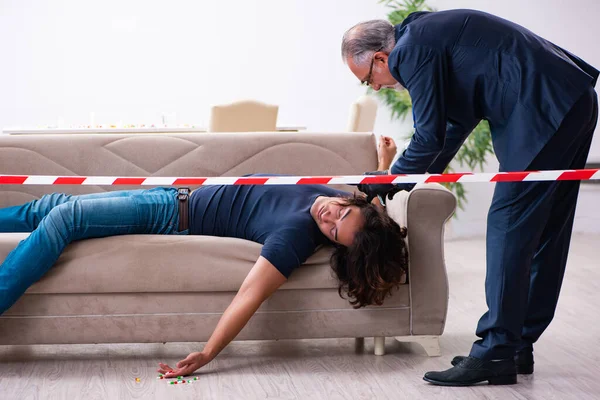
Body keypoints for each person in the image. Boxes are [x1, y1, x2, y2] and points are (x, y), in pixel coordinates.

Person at [0, 137, 407, 378]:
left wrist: (208, 352)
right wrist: (384, 164)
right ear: (352, 202)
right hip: (171, 195)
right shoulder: (345, 199)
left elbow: (250, 295)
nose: (328, 219)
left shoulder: (293, 238)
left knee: (64, 217)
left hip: (169, 216)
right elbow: (373, 200)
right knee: (49, 205)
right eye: (342, 214)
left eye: (334, 233)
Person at [342, 9, 598, 386]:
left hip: (542, 108)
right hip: (568, 100)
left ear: (381, 58)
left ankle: (496, 351)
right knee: (545, 232)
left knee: (508, 225)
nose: (378, 88)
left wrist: (388, 180)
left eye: (369, 80)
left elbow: (428, 136)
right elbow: (452, 125)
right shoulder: (427, 37)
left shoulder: (411, 49)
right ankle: (514, 346)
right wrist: (403, 181)